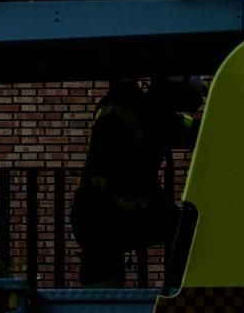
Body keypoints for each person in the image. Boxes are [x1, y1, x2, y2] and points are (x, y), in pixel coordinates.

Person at [71, 77, 204, 287]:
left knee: (104, 286)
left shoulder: (141, 110)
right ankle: (183, 288)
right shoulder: (142, 112)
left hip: (100, 215)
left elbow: (193, 130)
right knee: (184, 229)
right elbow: (197, 132)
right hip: (105, 215)